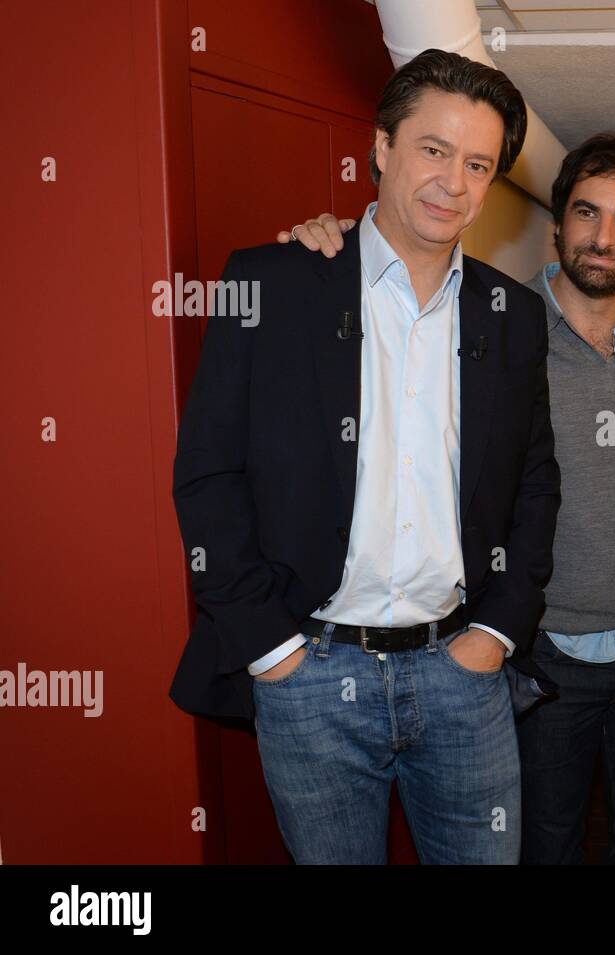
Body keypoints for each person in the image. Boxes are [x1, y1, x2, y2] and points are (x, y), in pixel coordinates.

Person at [169, 49, 561, 864]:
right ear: (381, 147)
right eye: (433, 148)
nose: (453, 181)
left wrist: (497, 629)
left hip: (464, 675)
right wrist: (271, 650)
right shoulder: (273, 285)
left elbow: (534, 482)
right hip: (310, 674)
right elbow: (208, 475)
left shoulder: (512, 314)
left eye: (478, 163)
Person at [282, 134, 615, 863]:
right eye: (586, 213)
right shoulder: (499, 319)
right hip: (536, 651)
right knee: (542, 842)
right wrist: (335, 239)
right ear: (558, 220)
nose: (603, 238)